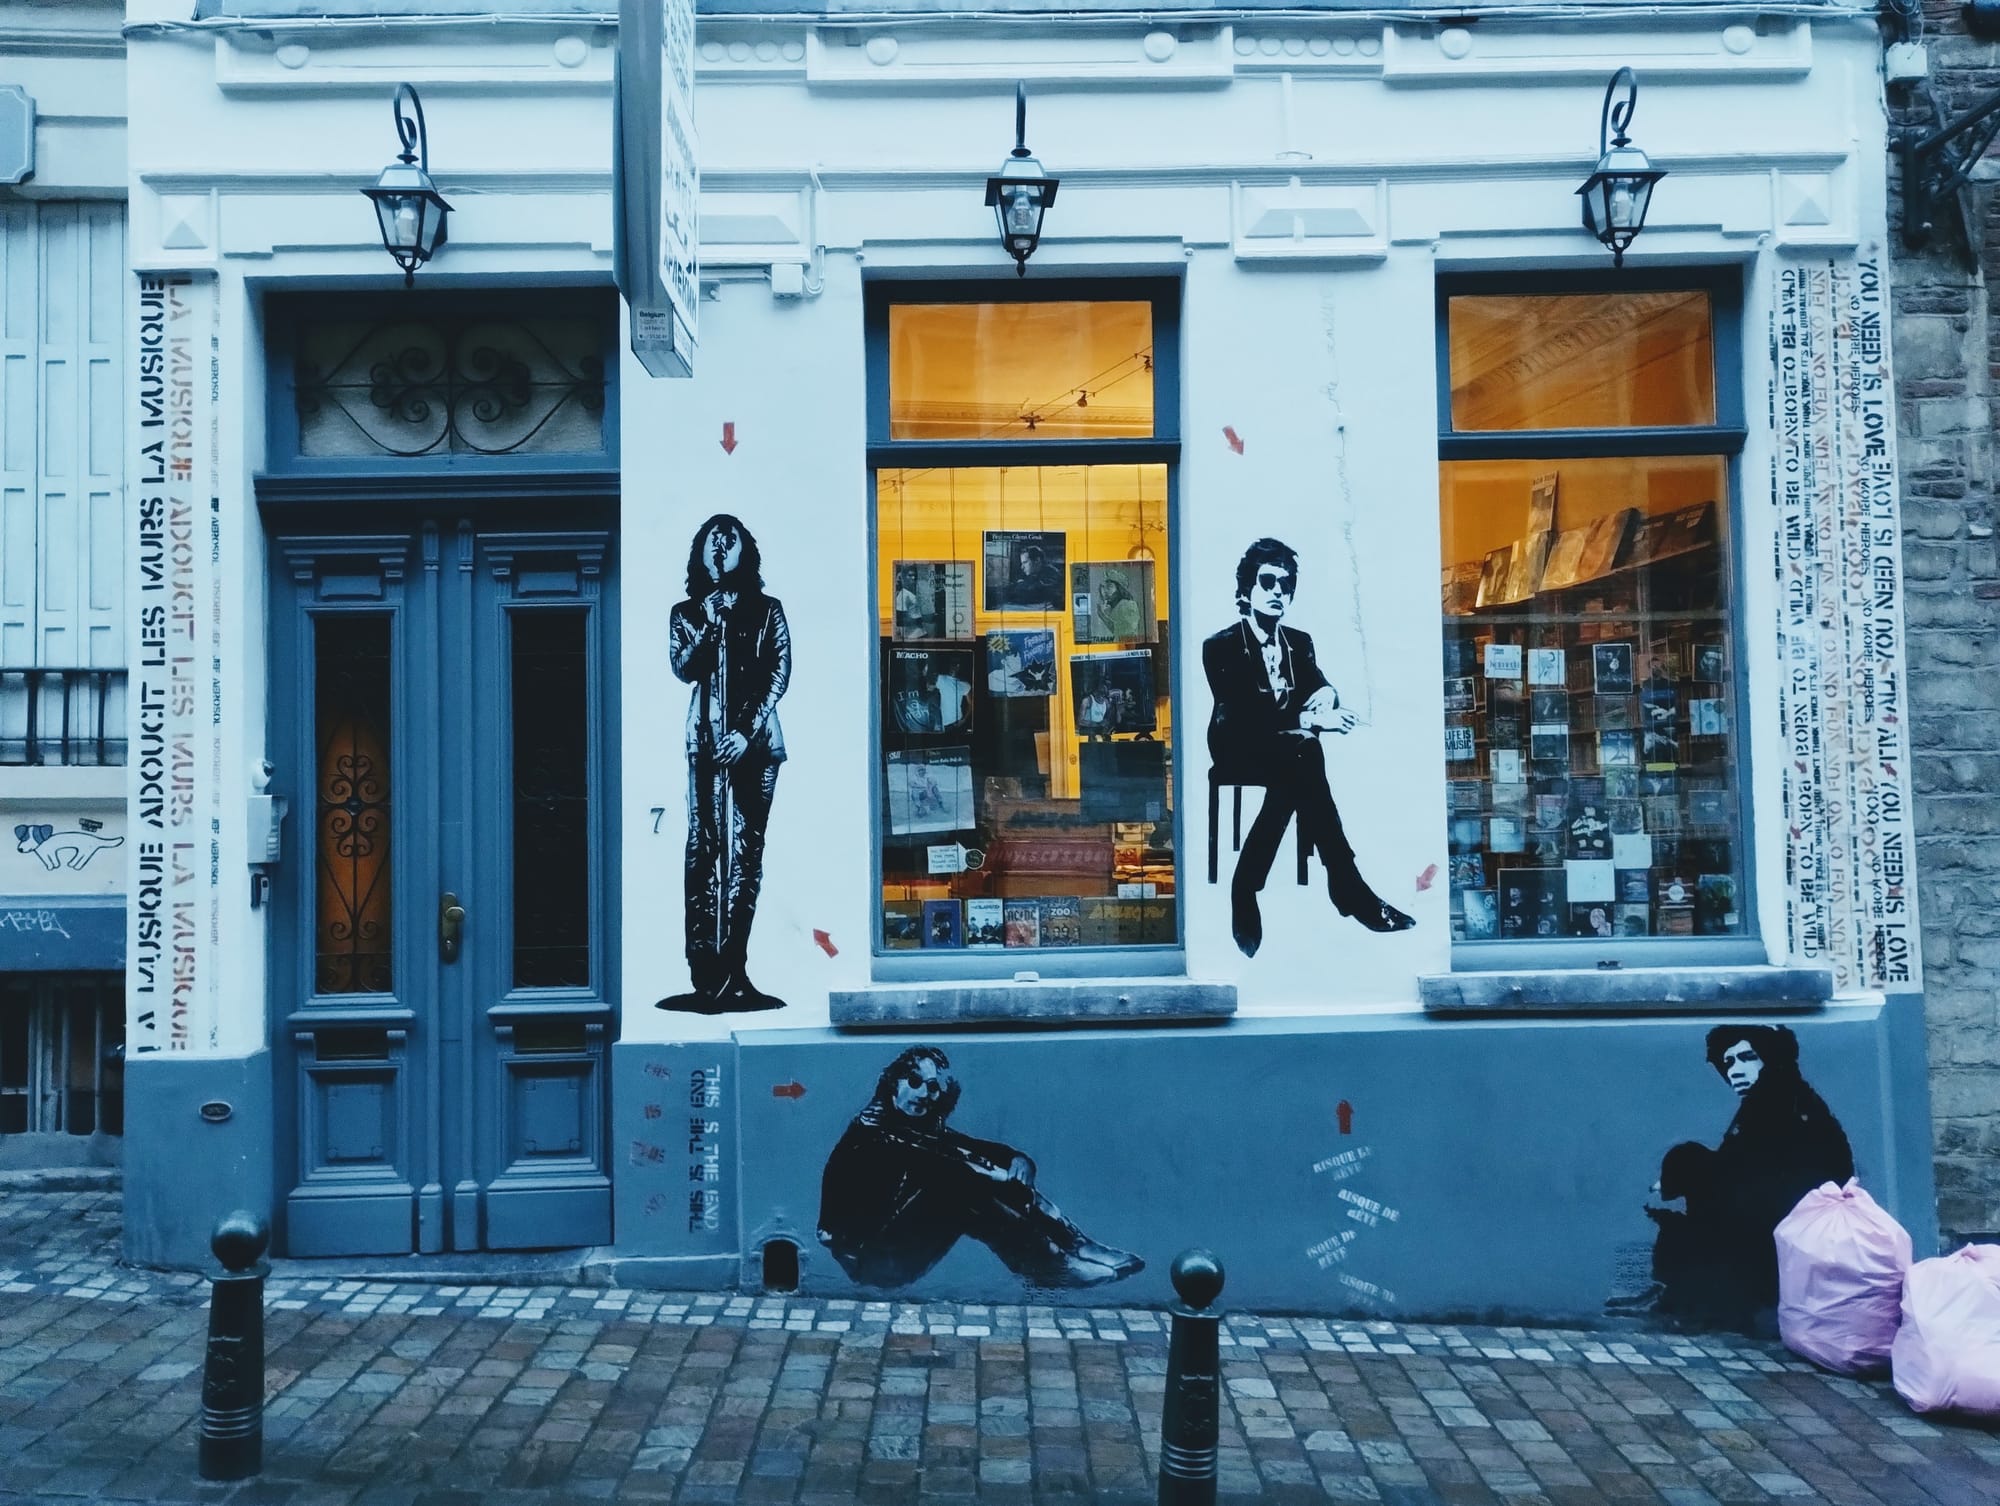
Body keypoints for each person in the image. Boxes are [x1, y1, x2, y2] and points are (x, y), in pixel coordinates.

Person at [1203, 538, 1414, 955]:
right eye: (1268, 582)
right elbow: (1244, 714)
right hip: (1237, 745)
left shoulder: (1299, 642)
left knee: (1299, 762)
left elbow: (1318, 683)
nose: (1278, 591)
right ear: (1247, 589)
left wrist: (1326, 698)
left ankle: (1245, 887)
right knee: (1304, 751)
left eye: (1286, 585)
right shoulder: (1220, 645)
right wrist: (1309, 720)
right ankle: (1346, 884)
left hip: (1287, 753)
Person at [817, 1047, 1145, 1290]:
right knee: (957, 1187)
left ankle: (1076, 1246)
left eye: (933, 1088)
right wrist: (1000, 1176)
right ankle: (1052, 1263)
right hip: (873, 1261)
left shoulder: (909, 1127)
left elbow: (965, 1145)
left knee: (965, 1179)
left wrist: (1016, 1159)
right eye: (914, 1081)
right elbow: (946, 1163)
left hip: (892, 1248)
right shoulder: (874, 1133)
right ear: (892, 1083)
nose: (923, 1094)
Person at [1631, 1024, 1854, 1333]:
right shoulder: (1773, 1098)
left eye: (1747, 1057)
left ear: (1769, 1058)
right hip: (1780, 1213)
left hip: (1789, 1223)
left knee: (1684, 1209)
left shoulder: (1779, 1102)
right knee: (1689, 1175)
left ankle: (1694, 1304)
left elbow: (1744, 1169)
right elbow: (1738, 1164)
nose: (1735, 1070)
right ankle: (1684, 1299)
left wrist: (1679, 1177)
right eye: (1729, 1062)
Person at [657, 515, 790, 1015]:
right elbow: (684, 667)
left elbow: (778, 671)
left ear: (744, 550)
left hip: (756, 745)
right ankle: (704, 974)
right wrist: (710, 625)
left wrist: (745, 731)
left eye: (729, 539)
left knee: (746, 854)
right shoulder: (686, 613)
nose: (720, 548)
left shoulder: (768, 610)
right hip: (705, 744)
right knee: (703, 849)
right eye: (713, 540)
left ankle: (735, 970)